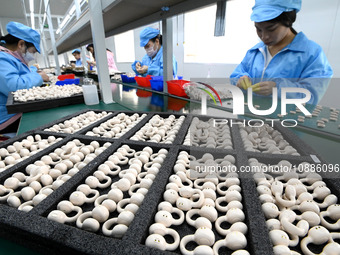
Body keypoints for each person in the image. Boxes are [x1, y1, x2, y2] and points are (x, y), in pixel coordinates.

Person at [230, 0, 333, 105]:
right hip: (250, 117)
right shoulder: (255, 51)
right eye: (259, 30)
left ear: (288, 21)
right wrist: (240, 80)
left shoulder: (312, 54)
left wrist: (278, 88)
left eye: (271, 29)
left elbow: (311, 96)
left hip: (286, 120)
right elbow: (236, 74)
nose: (264, 36)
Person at [0, 21, 49, 132]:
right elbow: (14, 86)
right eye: (33, 51)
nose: (33, 56)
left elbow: (21, 72)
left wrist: (34, 70)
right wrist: (39, 77)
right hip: (8, 118)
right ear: (21, 44)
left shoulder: (9, 56)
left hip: (14, 110)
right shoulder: (1, 57)